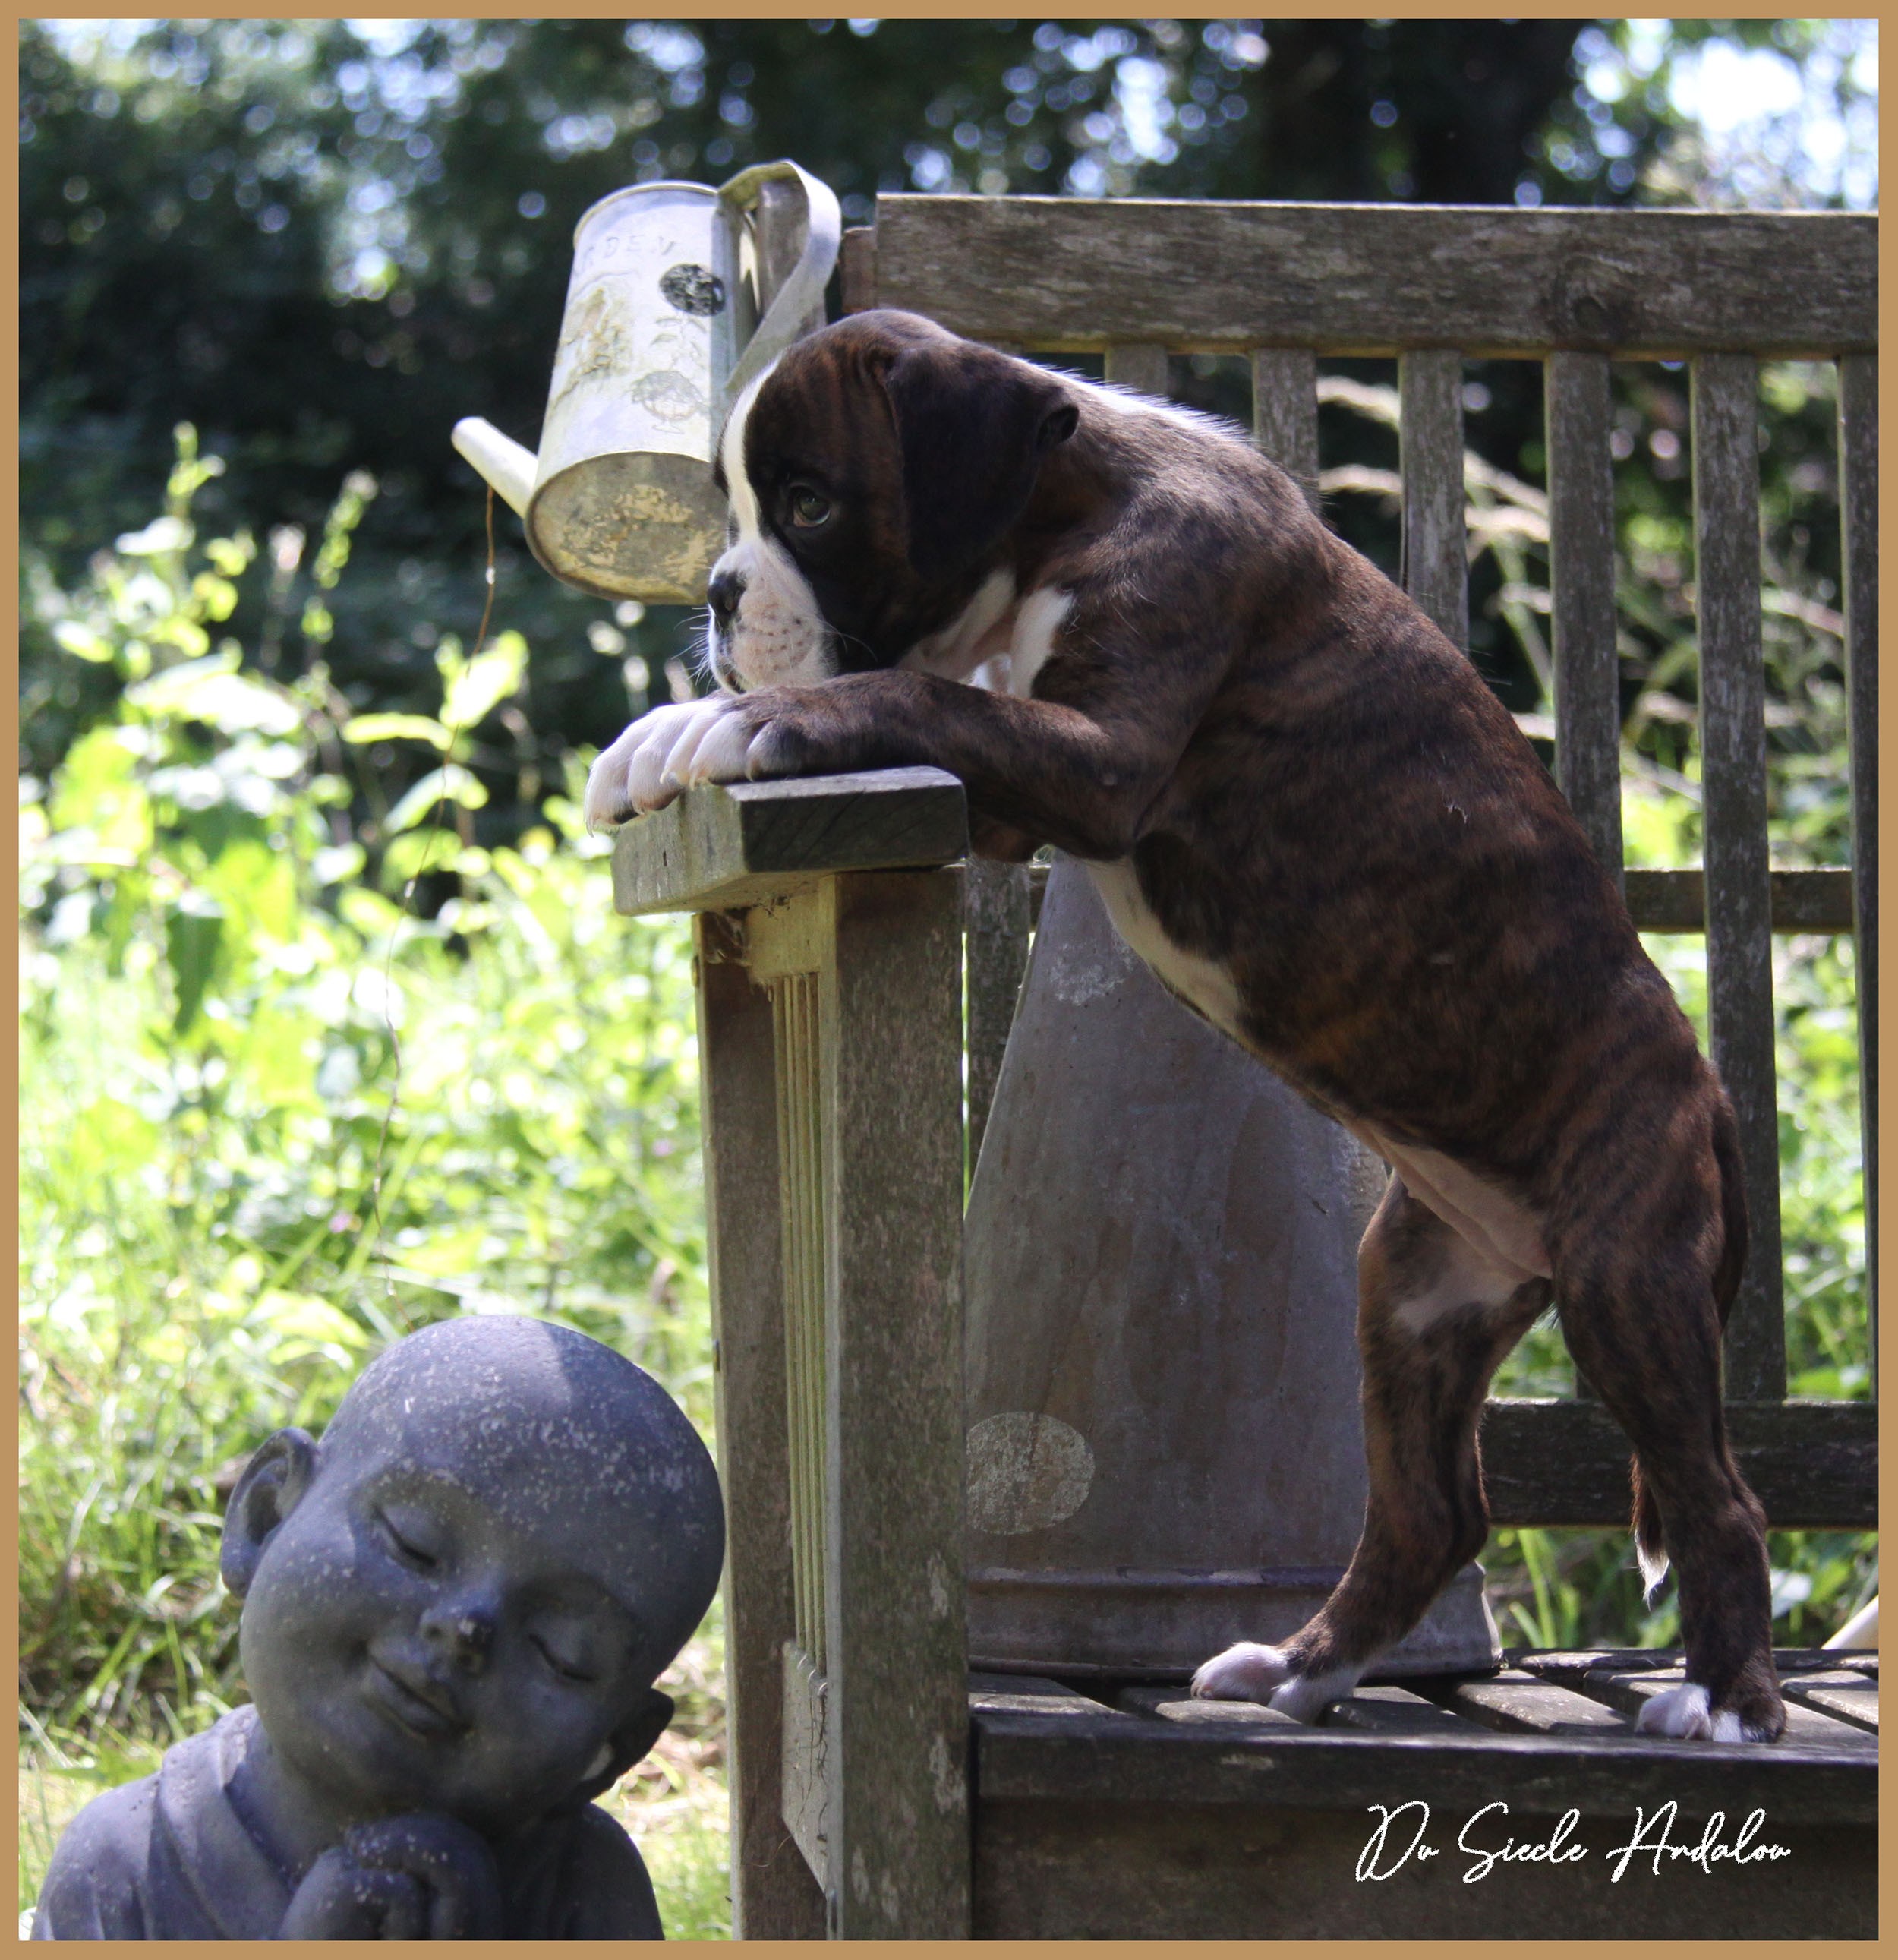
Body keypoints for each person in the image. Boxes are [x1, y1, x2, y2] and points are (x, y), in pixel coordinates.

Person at [33, 1315, 725, 1939]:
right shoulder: (127, 1864)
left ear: (611, 1749)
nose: (467, 1627)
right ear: (266, 1515)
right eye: (412, 1543)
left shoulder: (581, 1884)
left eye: (561, 1652)